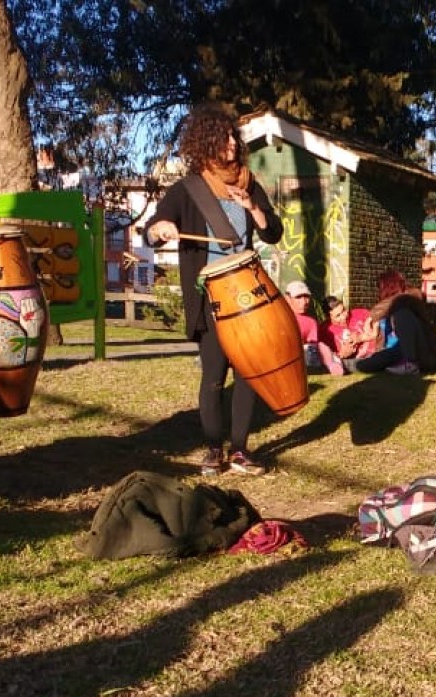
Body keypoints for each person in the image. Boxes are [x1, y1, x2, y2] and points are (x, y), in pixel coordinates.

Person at [146, 103, 284, 476]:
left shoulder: (248, 183)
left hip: (249, 293)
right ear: (205, 142)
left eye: (233, 136)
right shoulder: (188, 188)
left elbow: (273, 231)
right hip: (210, 294)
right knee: (213, 374)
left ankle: (240, 449)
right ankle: (213, 448)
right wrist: (160, 229)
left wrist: (253, 208)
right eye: (222, 137)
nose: (231, 144)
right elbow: (155, 227)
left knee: (248, 372)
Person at [349, 270, 436, 375]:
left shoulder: (409, 298)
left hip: (411, 353)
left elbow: (395, 302)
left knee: (402, 314)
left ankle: (411, 364)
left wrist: (370, 317)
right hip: (393, 351)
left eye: (380, 287)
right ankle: (339, 364)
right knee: (369, 362)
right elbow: (378, 332)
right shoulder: (387, 309)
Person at [285, 281, 344, 375]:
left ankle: (332, 365)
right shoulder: (280, 317)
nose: (304, 302)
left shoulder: (311, 322)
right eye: (298, 297)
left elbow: (315, 346)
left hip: (304, 359)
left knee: (318, 347)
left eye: (306, 297)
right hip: (283, 357)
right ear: (288, 298)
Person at [325, 295, 373, 361]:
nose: (344, 317)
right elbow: (326, 357)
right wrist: (341, 354)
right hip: (350, 362)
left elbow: (379, 329)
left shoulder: (361, 313)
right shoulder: (325, 331)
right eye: (338, 315)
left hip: (377, 353)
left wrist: (360, 337)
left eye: (344, 310)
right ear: (328, 318)